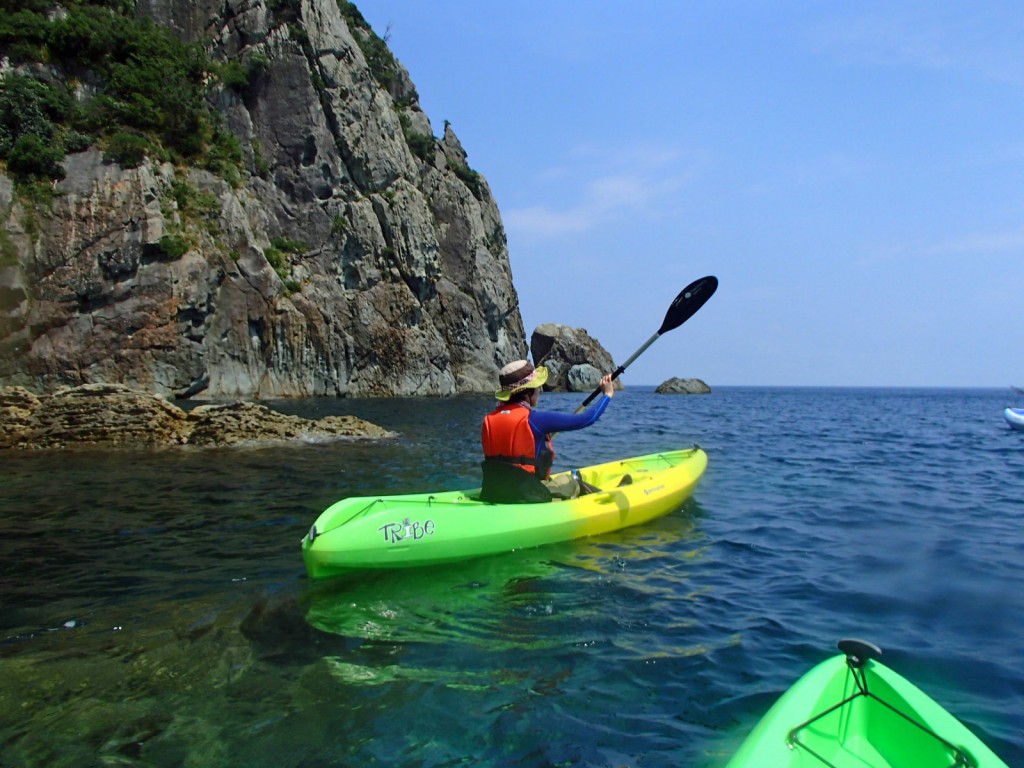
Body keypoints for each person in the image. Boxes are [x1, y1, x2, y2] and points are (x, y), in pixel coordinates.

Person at [480, 359, 615, 503]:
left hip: (493, 491)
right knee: (573, 482)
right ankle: (610, 498)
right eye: (537, 386)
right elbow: (586, 419)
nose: (539, 390)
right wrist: (607, 395)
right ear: (528, 391)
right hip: (527, 495)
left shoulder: (489, 419)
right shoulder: (535, 420)